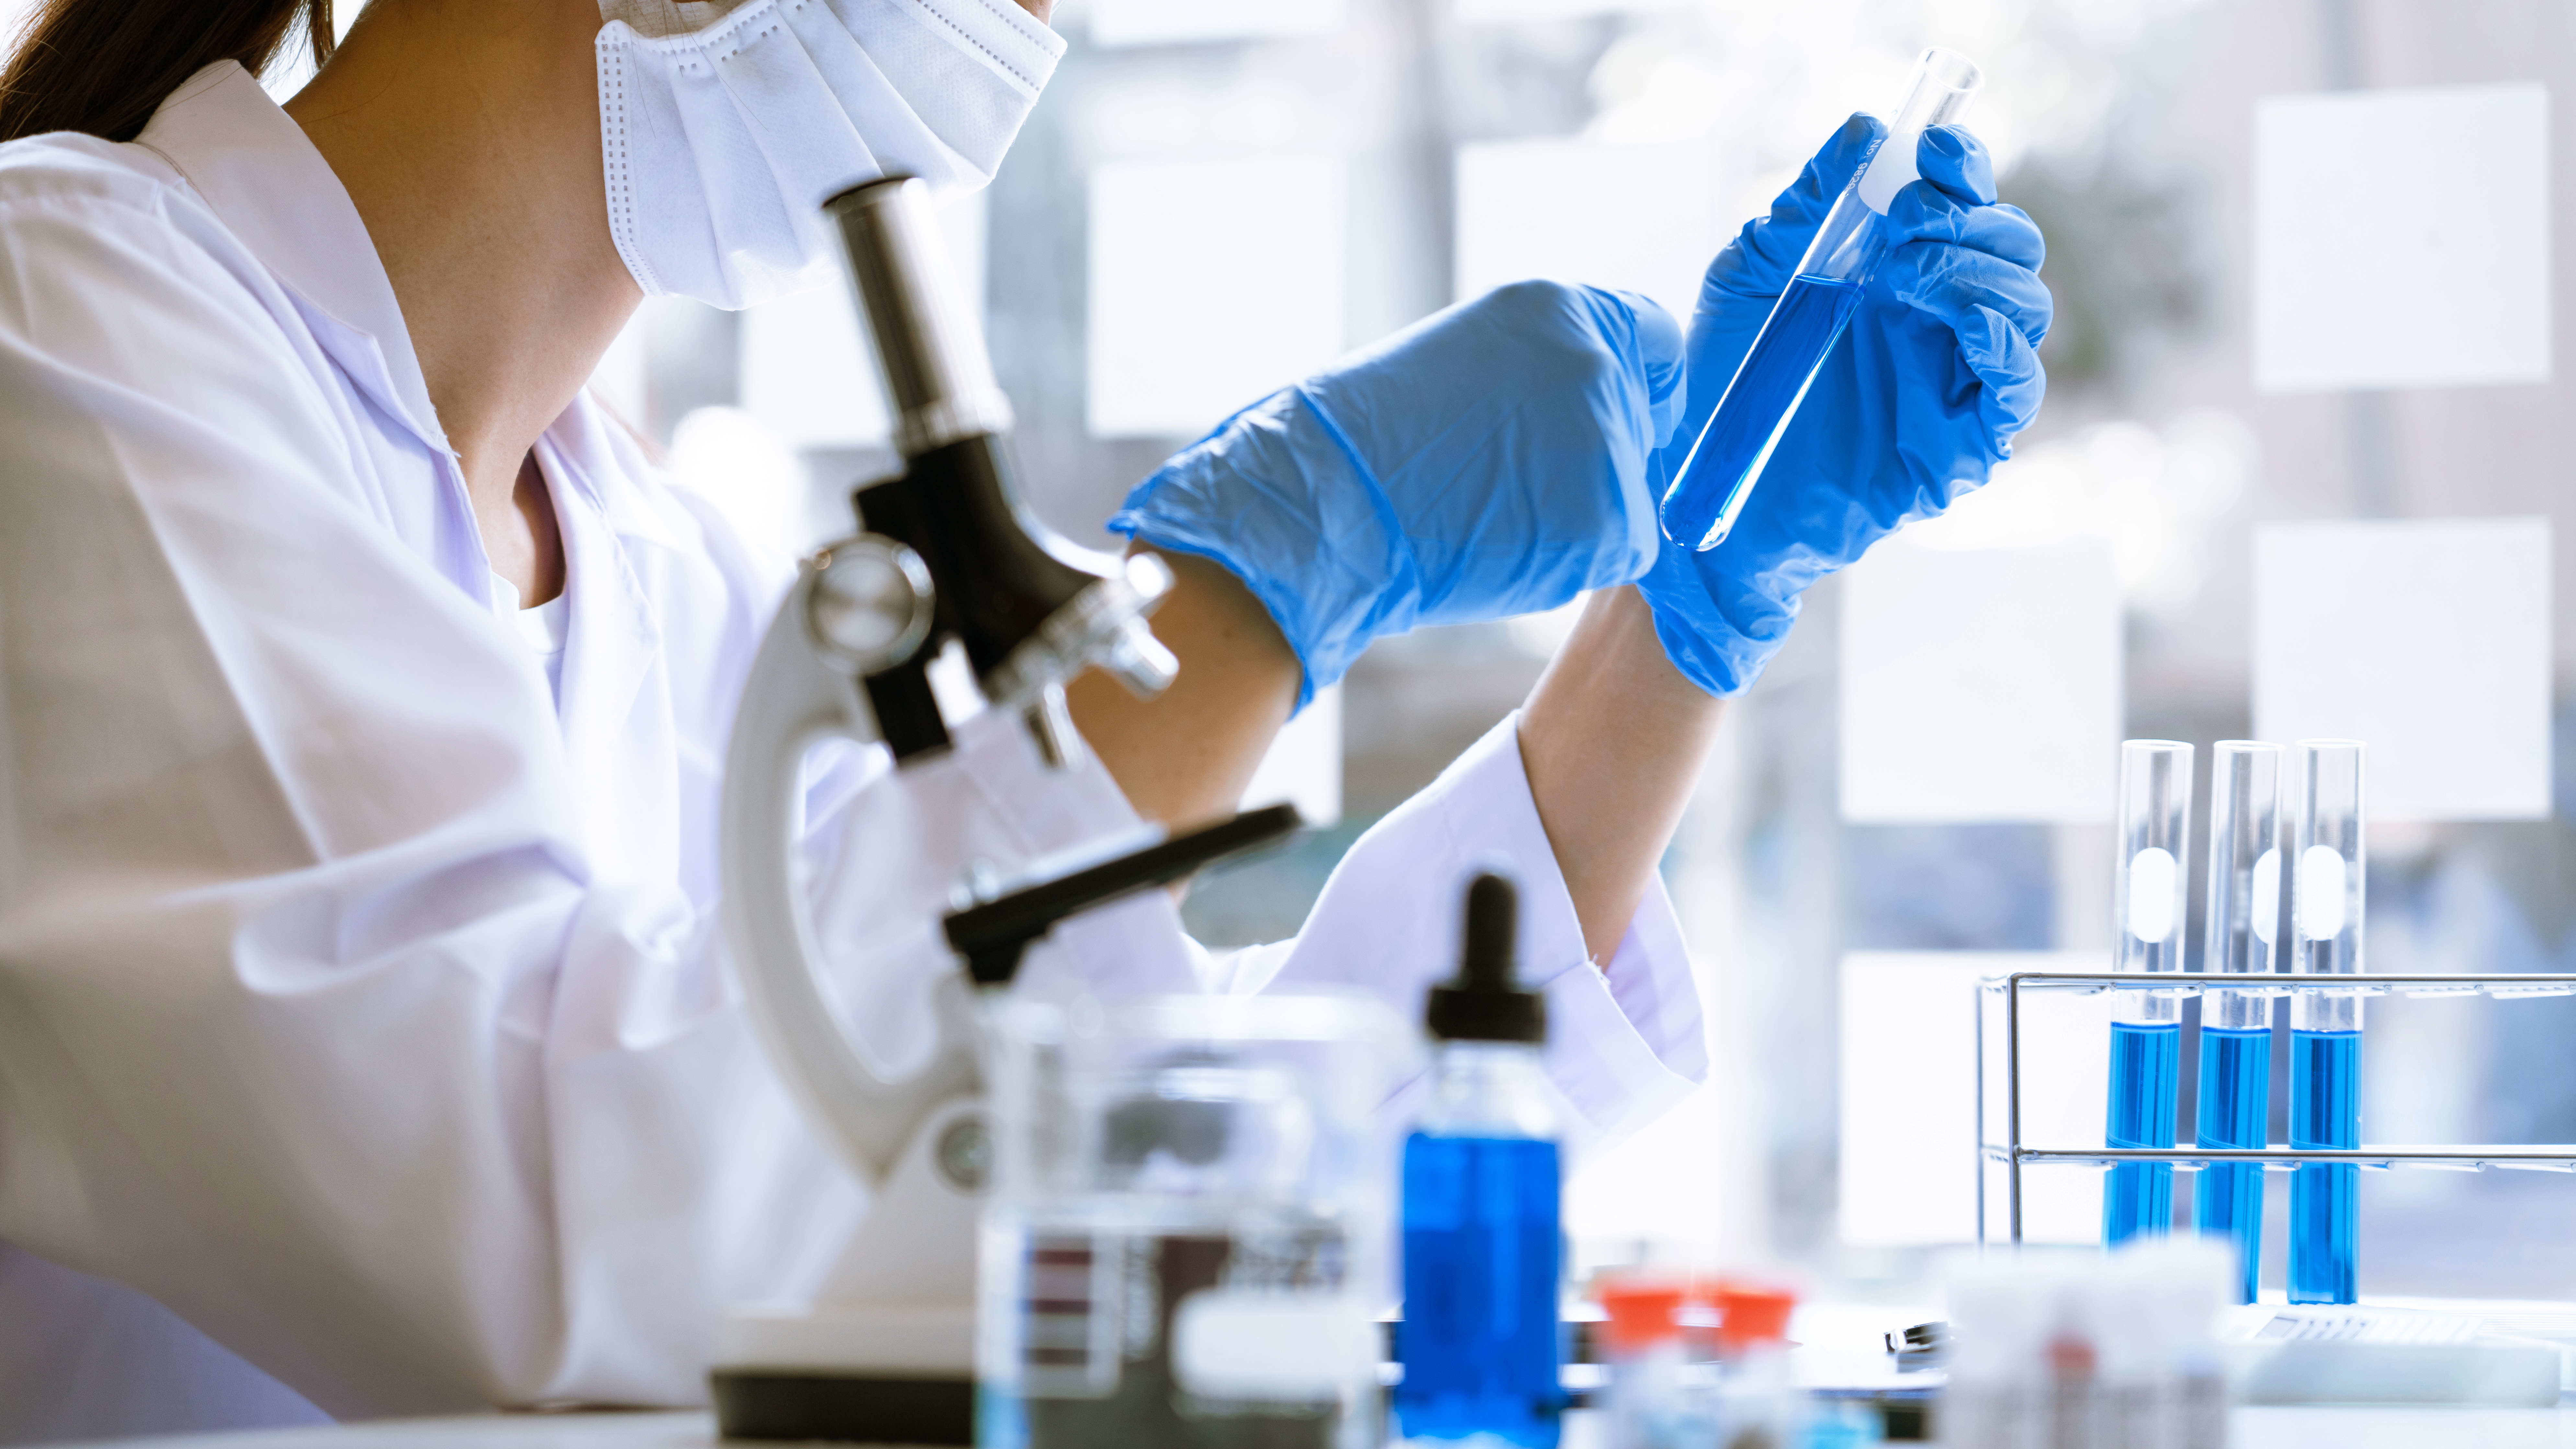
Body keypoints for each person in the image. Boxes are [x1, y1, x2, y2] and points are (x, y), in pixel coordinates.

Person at [0, 0, 2047, 1437]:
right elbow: (530, 1246)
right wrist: (1273, 567)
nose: (1034, 23)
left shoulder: (668, 564)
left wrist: (1670, 623)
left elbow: (1108, 1185)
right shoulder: (69, 330)